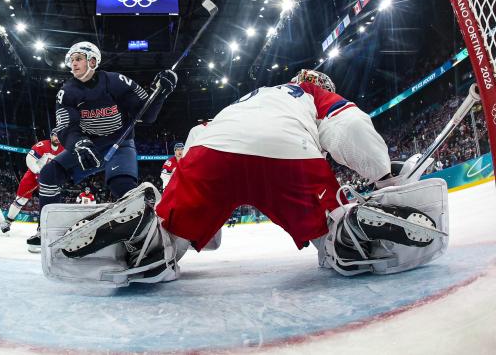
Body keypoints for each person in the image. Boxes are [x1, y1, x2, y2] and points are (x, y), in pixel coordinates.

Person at [48, 69, 448, 286]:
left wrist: (191, 206)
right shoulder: (311, 95)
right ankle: (351, 231)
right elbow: (350, 129)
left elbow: (196, 137)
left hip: (210, 154)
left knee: (169, 239)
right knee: (331, 238)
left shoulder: (251, 96)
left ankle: (147, 239)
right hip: (287, 156)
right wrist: (382, 177)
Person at [26, 41, 177, 252]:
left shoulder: (117, 81)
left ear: (93, 61)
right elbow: (65, 126)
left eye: (78, 58)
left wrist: (161, 94)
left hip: (120, 143)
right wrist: (78, 143)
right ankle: (47, 231)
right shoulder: (67, 92)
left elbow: (146, 115)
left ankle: (143, 240)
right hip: (89, 145)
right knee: (50, 173)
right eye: (71, 60)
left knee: (123, 188)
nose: (73, 63)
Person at [5, 132, 64, 223]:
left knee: (50, 203)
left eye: (59, 136)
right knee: (21, 199)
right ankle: (8, 221)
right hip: (34, 175)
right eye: (55, 135)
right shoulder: (42, 145)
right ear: (51, 136)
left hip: (49, 179)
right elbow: (30, 159)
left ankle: (46, 225)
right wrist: (37, 172)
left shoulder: (63, 149)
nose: (57, 138)